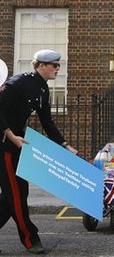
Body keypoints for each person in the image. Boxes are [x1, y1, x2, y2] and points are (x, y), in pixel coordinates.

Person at [0, 50, 78, 254]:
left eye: (58, 65)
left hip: (18, 143)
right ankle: (30, 238)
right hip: (5, 144)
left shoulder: (43, 90)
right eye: (54, 65)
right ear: (41, 65)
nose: (57, 69)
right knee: (16, 194)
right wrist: (9, 134)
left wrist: (64, 145)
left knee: (15, 194)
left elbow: (47, 122)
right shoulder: (18, 83)